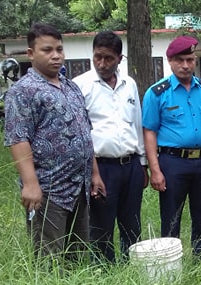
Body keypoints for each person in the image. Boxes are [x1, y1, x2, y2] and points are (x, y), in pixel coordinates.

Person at [4, 23, 105, 262]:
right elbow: (18, 138)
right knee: (49, 260)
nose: (56, 55)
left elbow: (84, 133)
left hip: (78, 188)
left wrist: (94, 174)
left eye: (59, 49)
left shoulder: (71, 88)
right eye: (47, 50)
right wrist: (30, 184)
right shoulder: (23, 91)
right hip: (49, 191)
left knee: (78, 256)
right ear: (31, 53)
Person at [142, 35, 201, 260]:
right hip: (172, 163)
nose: (185, 65)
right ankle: (170, 260)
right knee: (171, 214)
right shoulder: (157, 93)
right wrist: (155, 169)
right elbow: (149, 132)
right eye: (179, 60)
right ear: (169, 61)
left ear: (195, 60)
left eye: (190, 59)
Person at [73, 31, 145, 264]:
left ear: (119, 59)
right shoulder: (81, 86)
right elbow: (80, 133)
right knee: (101, 225)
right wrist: (93, 172)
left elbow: (137, 123)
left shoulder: (129, 84)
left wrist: (142, 164)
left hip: (131, 164)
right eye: (97, 57)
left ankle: (133, 266)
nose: (102, 64)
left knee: (132, 221)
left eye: (108, 58)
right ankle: (104, 271)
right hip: (101, 167)